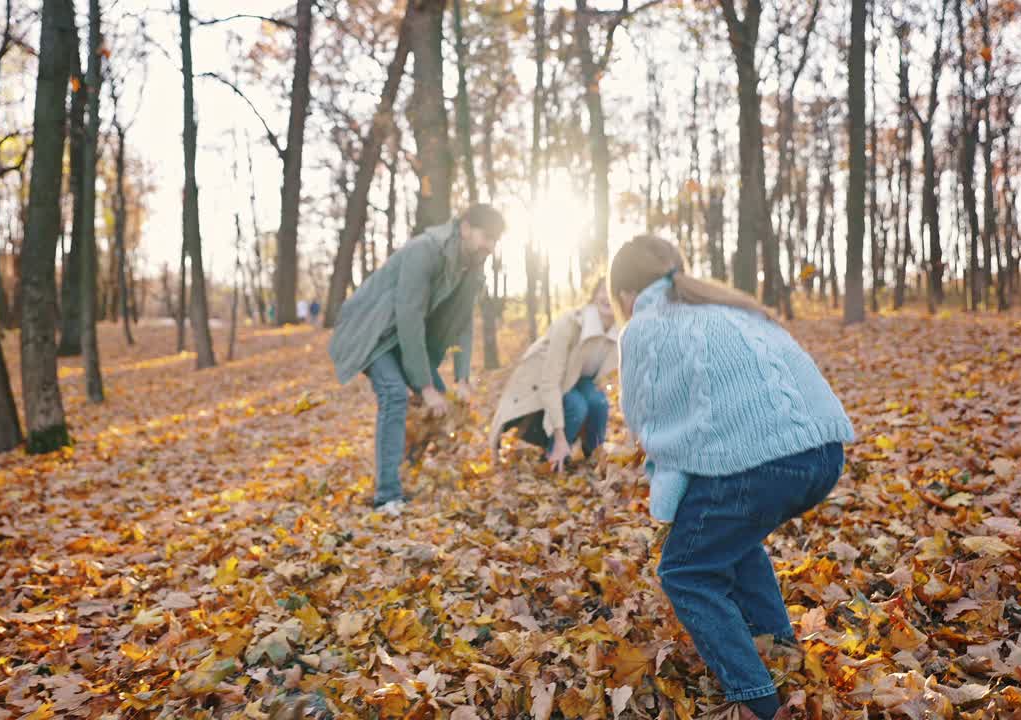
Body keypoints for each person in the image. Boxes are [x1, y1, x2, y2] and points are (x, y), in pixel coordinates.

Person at [610, 235, 854, 720]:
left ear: (624, 293)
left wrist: (668, 507)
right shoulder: (728, 305)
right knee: (731, 535)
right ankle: (777, 645)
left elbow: (651, 430)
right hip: (823, 453)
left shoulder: (645, 326)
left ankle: (755, 700)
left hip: (763, 462)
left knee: (686, 570)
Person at [329, 204, 505, 511]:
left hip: (406, 337)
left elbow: (463, 324)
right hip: (376, 331)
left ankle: (404, 464)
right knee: (395, 394)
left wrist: (462, 377)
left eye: (494, 240)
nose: (489, 246)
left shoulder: (471, 266)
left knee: (442, 404)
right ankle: (387, 496)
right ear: (464, 227)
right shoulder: (425, 250)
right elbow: (409, 317)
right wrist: (425, 386)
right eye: (485, 236)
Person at [489, 279, 618, 471]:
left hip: (578, 379)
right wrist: (559, 436)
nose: (607, 297)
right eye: (602, 291)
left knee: (598, 402)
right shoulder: (570, 323)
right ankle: (554, 455)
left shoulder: (619, 332)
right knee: (577, 405)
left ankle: (594, 457)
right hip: (547, 377)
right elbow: (550, 381)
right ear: (593, 295)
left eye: (612, 292)